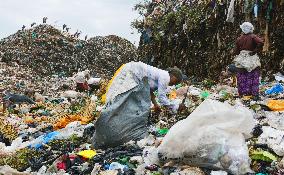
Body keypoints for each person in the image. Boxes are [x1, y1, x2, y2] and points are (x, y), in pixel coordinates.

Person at [93, 61, 184, 148]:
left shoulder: (160, 76)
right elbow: (161, 97)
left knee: (126, 101)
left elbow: (150, 91)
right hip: (132, 72)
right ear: (173, 76)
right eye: (176, 81)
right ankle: (108, 123)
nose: (174, 84)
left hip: (134, 73)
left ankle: (117, 127)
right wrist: (175, 106)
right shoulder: (165, 76)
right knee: (119, 98)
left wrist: (155, 105)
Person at [233, 22, 264, 100]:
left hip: (242, 58)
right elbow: (260, 42)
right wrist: (255, 51)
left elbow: (235, 51)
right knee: (254, 75)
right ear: (251, 28)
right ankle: (254, 95)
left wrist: (241, 52)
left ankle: (242, 94)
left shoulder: (239, 38)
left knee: (241, 76)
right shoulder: (253, 36)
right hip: (251, 57)